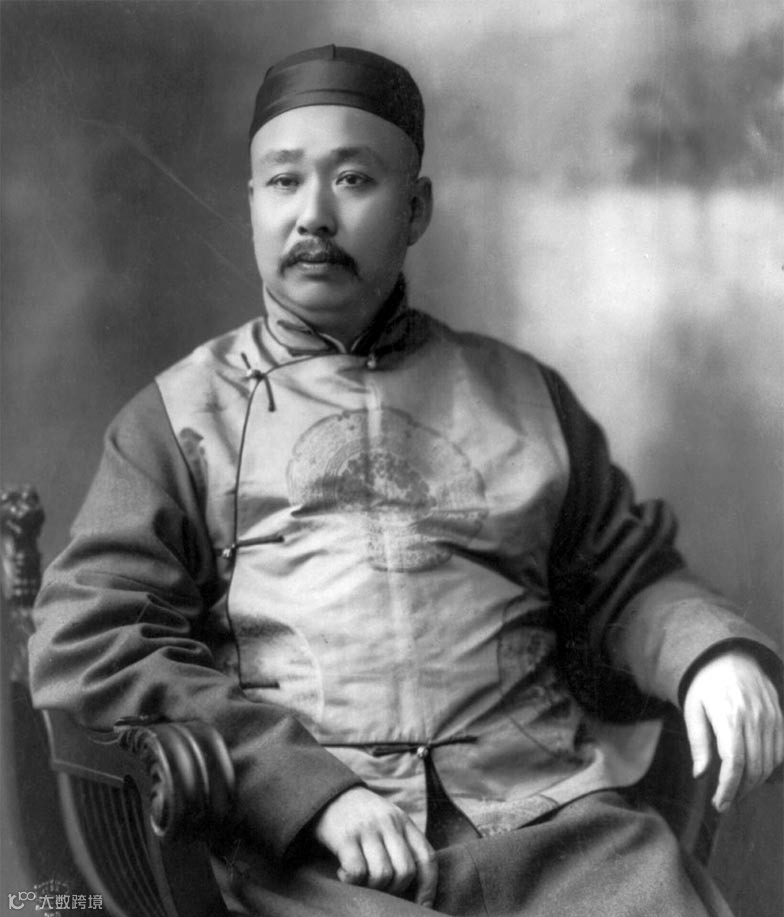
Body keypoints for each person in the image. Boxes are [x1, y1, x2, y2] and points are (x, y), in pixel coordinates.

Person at [29, 45, 783, 917]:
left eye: (353, 179)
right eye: (284, 182)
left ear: (415, 207)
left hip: (560, 831)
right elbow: (93, 636)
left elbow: (626, 580)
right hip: (309, 858)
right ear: (251, 205)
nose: (314, 216)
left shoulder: (522, 396)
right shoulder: (178, 417)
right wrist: (307, 791)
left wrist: (709, 653)